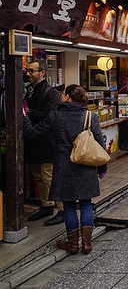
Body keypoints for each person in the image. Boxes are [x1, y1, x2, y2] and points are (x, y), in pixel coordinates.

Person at [23, 84, 107, 254]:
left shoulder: (55, 116)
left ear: (68, 96)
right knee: (85, 204)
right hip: (86, 165)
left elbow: (32, 132)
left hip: (63, 166)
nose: (61, 96)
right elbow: (100, 144)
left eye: (63, 94)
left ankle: (73, 244)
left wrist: (24, 115)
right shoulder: (90, 116)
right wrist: (102, 168)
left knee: (68, 205)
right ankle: (87, 244)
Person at [23, 58, 64, 226]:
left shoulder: (51, 93)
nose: (28, 74)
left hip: (47, 142)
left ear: (42, 73)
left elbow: (51, 118)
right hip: (33, 141)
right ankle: (46, 205)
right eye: (27, 71)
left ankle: (62, 209)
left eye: (32, 71)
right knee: (38, 176)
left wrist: (28, 112)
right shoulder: (29, 90)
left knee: (50, 177)